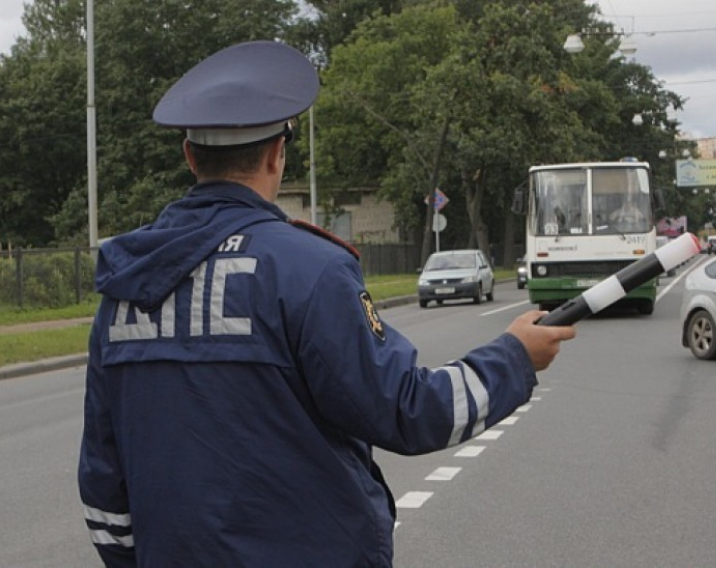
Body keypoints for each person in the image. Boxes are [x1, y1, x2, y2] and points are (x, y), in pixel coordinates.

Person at [77, 40, 576, 567]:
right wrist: (515, 356)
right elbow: (408, 412)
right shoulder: (308, 269)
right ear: (277, 154)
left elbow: (103, 477)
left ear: (189, 155)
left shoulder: (127, 283)